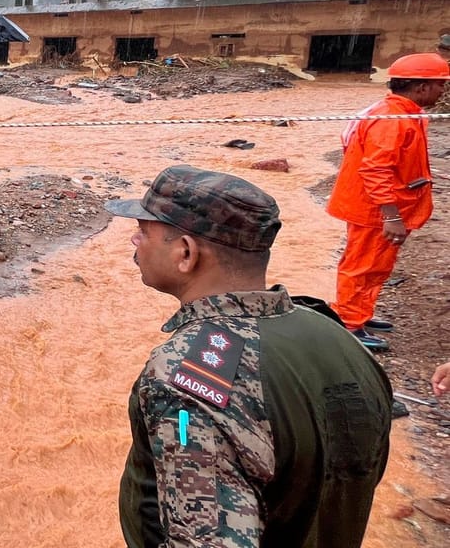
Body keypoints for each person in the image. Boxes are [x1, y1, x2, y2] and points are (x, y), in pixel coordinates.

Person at [107, 165, 392, 548]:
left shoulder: (185, 381)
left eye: (144, 232)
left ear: (186, 253)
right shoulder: (339, 337)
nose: (134, 240)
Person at [327, 52, 449, 349]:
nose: (442, 91)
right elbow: (376, 168)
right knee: (362, 265)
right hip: (374, 209)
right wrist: (391, 216)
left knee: (377, 264)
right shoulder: (392, 119)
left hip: (381, 205)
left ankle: (360, 313)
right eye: (439, 85)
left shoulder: (404, 112)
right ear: (421, 87)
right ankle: (349, 324)